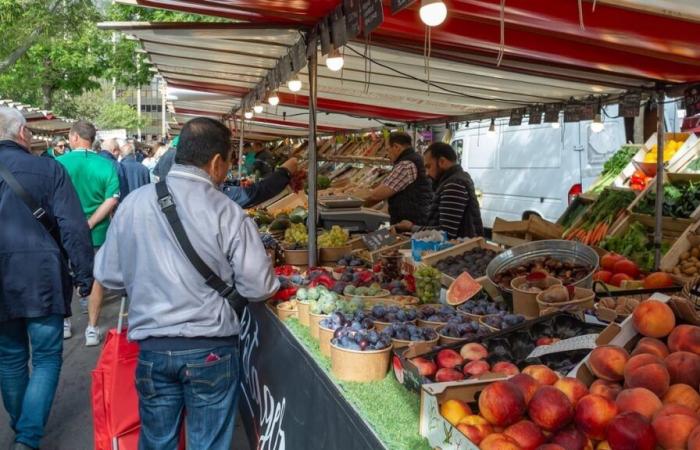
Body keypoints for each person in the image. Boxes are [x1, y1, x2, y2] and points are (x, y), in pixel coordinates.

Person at [94, 117, 278, 450]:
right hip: (211, 351)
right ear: (216, 162)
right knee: (206, 444)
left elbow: (108, 275)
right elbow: (259, 287)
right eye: (227, 165)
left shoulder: (133, 204)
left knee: (157, 441)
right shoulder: (227, 211)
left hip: (151, 348)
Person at [0, 107, 94, 450]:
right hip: (42, 277)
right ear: (23, 133)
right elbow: (73, 226)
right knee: (45, 357)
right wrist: (86, 275)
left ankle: (22, 425)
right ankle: (27, 435)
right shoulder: (48, 169)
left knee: (9, 356)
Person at [57, 121, 120, 346]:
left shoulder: (57, 164)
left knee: (63, 275)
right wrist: (91, 222)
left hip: (64, 232)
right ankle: (92, 329)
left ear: (74, 137)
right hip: (98, 233)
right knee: (97, 280)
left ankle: (65, 322)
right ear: (92, 139)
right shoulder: (106, 166)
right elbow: (112, 198)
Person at [395, 142, 484, 239]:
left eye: (429, 166)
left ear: (442, 161)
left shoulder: (453, 185)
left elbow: (445, 233)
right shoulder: (458, 179)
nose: (427, 173)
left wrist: (411, 227)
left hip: (458, 251)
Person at [363, 131, 432, 225]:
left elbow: (377, 195)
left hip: (410, 223)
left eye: (387, 149)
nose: (387, 154)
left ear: (396, 147)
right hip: (412, 221)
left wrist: (357, 206)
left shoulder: (406, 164)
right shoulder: (411, 160)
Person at [223, 157, 299, 208]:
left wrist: (239, 183)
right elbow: (257, 191)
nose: (229, 164)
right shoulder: (220, 192)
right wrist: (284, 172)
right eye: (227, 161)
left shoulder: (217, 187)